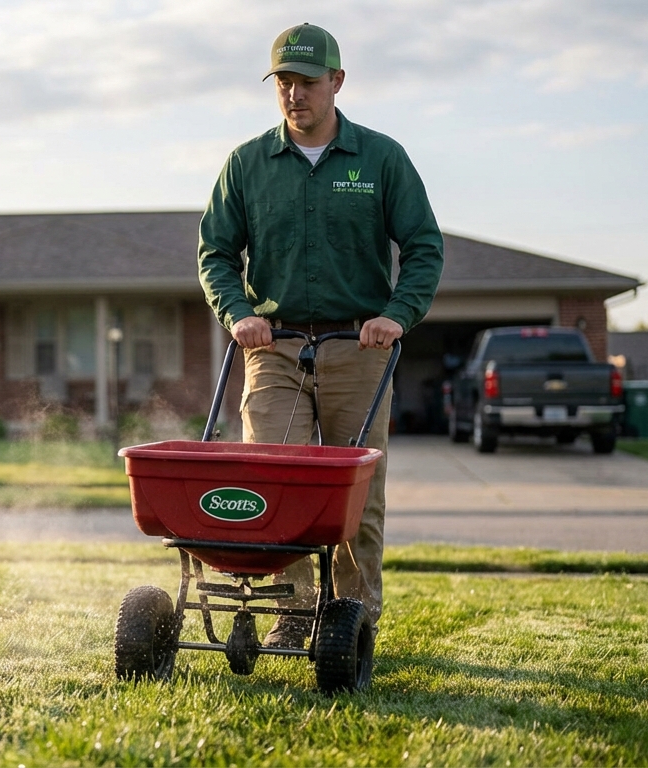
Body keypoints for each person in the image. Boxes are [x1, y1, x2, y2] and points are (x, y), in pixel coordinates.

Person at [196, 22, 443, 646]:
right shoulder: (247, 164)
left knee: (358, 494)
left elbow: (422, 247)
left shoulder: (381, 158)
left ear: (337, 81)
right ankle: (292, 614)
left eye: (307, 82)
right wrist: (236, 312)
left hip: (360, 347)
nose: (294, 94)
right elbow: (216, 254)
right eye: (283, 82)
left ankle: (353, 620)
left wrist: (398, 313)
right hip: (271, 346)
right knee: (274, 484)